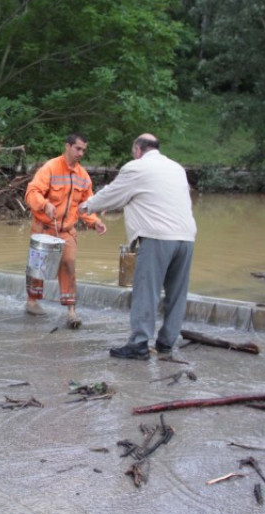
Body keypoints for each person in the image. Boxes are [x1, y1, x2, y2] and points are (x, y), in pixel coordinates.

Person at [79, 133, 196, 360]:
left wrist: (86, 206)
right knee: (177, 293)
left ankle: (139, 344)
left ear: (138, 149)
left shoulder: (137, 167)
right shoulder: (177, 168)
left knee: (147, 291)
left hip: (157, 236)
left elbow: (113, 194)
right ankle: (166, 343)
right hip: (187, 237)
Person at [24, 133, 107, 328]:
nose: (81, 153)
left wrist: (95, 222)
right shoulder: (51, 167)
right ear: (68, 146)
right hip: (44, 227)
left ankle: (71, 311)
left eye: (84, 150)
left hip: (67, 230)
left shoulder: (83, 176)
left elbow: (85, 205)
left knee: (69, 264)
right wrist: (45, 205)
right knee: (38, 267)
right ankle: (32, 301)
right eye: (78, 148)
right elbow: (31, 192)